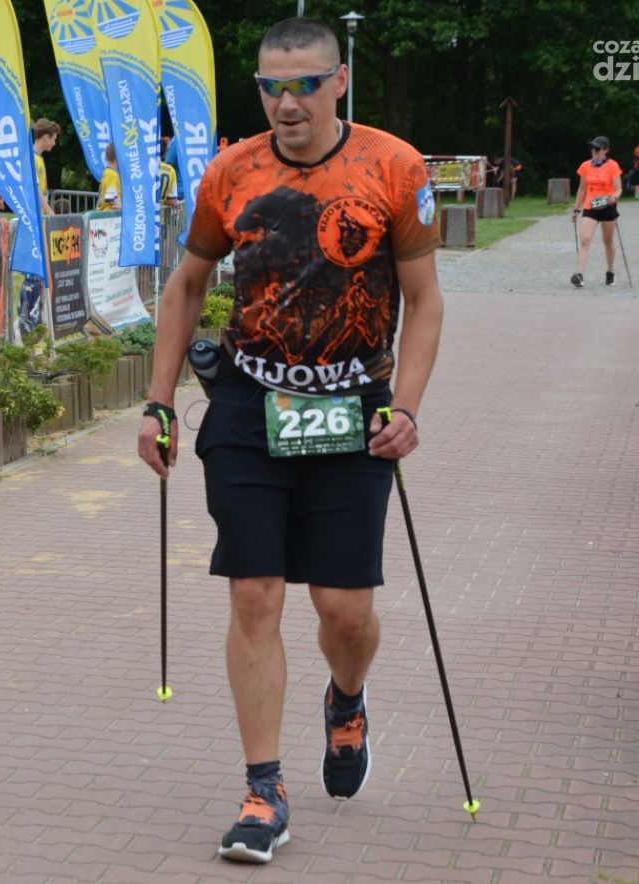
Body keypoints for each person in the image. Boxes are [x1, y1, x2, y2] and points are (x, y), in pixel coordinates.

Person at [136, 17, 443, 865]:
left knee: (345, 612)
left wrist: (406, 408)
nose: (287, 102)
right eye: (272, 86)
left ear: (339, 82)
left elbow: (425, 300)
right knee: (254, 596)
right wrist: (158, 404)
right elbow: (187, 285)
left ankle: (346, 699)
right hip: (249, 409)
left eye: (305, 84)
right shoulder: (231, 171)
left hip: (351, 412)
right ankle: (263, 790)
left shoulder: (393, 166)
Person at [19, 118, 61, 334]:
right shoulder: (32, 159)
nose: (54, 144)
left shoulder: (38, 159)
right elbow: (35, 192)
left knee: (37, 272)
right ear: (45, 137)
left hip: (37, 219)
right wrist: (49, 211)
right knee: (32, 272)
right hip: (32, 220)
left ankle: (32, 317)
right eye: (54, 139)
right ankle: (26, 319)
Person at [570, 135, 623, 288]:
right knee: (585, 240)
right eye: (593, 148)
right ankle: (579, 275)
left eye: (597, 148)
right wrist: (576, 208)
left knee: (608, 241)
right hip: (591, 205)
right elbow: (582, 188)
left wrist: (614, 197)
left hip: (607, 205)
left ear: (605, 150)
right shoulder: (585, 166)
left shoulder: (613, 166)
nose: (594, 151)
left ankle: (610, 272)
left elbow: (619, 189)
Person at [95, 143, 120, 211]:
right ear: (117, 156)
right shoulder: (111, 174)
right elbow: (111, 198)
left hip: (106, 214)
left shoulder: (108, 172)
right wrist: (124, 207)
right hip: (108, 214)